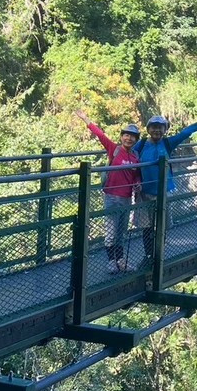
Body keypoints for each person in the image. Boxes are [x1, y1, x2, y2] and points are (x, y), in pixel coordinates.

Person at [135, 109, 197, 263]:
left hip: (164, 192)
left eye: (160, 127)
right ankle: (148, 256)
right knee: (147, 227)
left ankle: (158, 255)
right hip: (145, 193)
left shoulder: (167, 143)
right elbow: (128, 160)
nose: (157, 130)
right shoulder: (140, 146)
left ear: (165, 130)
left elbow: (185, 133)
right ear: (148, 129)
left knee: (162, 225)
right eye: (154, 127)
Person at [75, 110, 142, 273]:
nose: (129, 138)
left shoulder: (135, 156)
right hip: (112, 196)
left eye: (132, 136)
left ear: (136, 140)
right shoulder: (114, 149)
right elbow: (101, 135)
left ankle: (120, 260)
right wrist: (86, 119)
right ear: (122, 137)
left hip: (126, 197)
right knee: (111, 232)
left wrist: (138, 184)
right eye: (126, 135)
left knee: (121, 232)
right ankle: (111, 261)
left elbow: (136, 175)